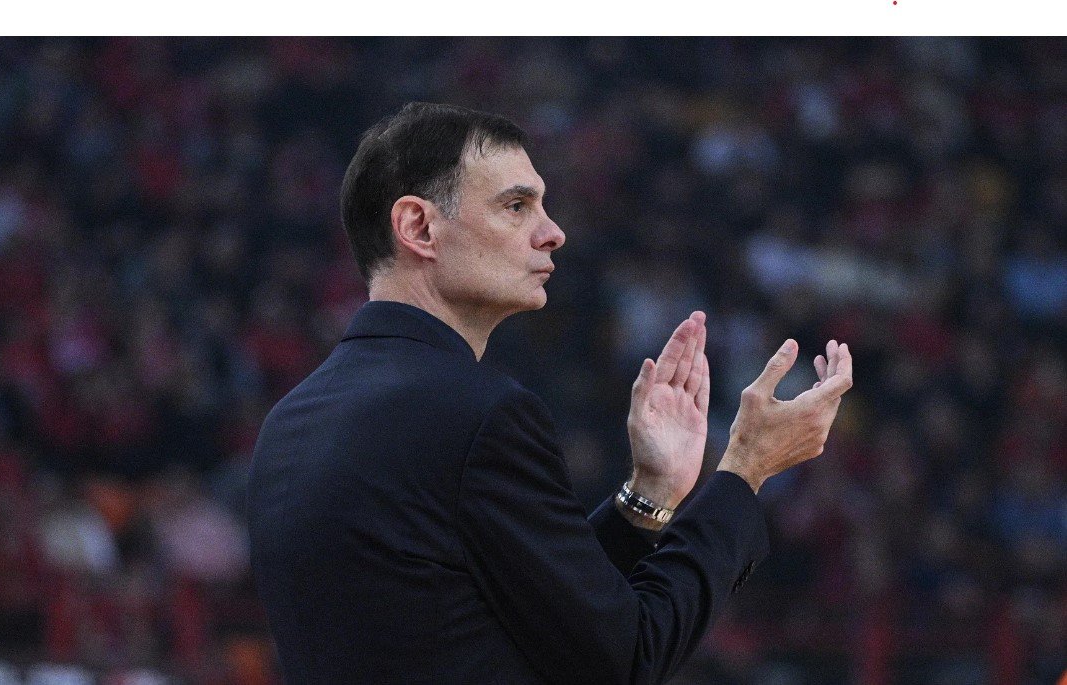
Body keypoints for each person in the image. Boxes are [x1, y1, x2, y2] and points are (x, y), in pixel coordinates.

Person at [247, 102, 854, 684]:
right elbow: (626, 657)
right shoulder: (477, 415)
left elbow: (529, 617)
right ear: (419, 227)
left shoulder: (289, 422)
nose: (553, 233)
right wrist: (745, 470)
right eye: (516, 206)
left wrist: (649, 494)